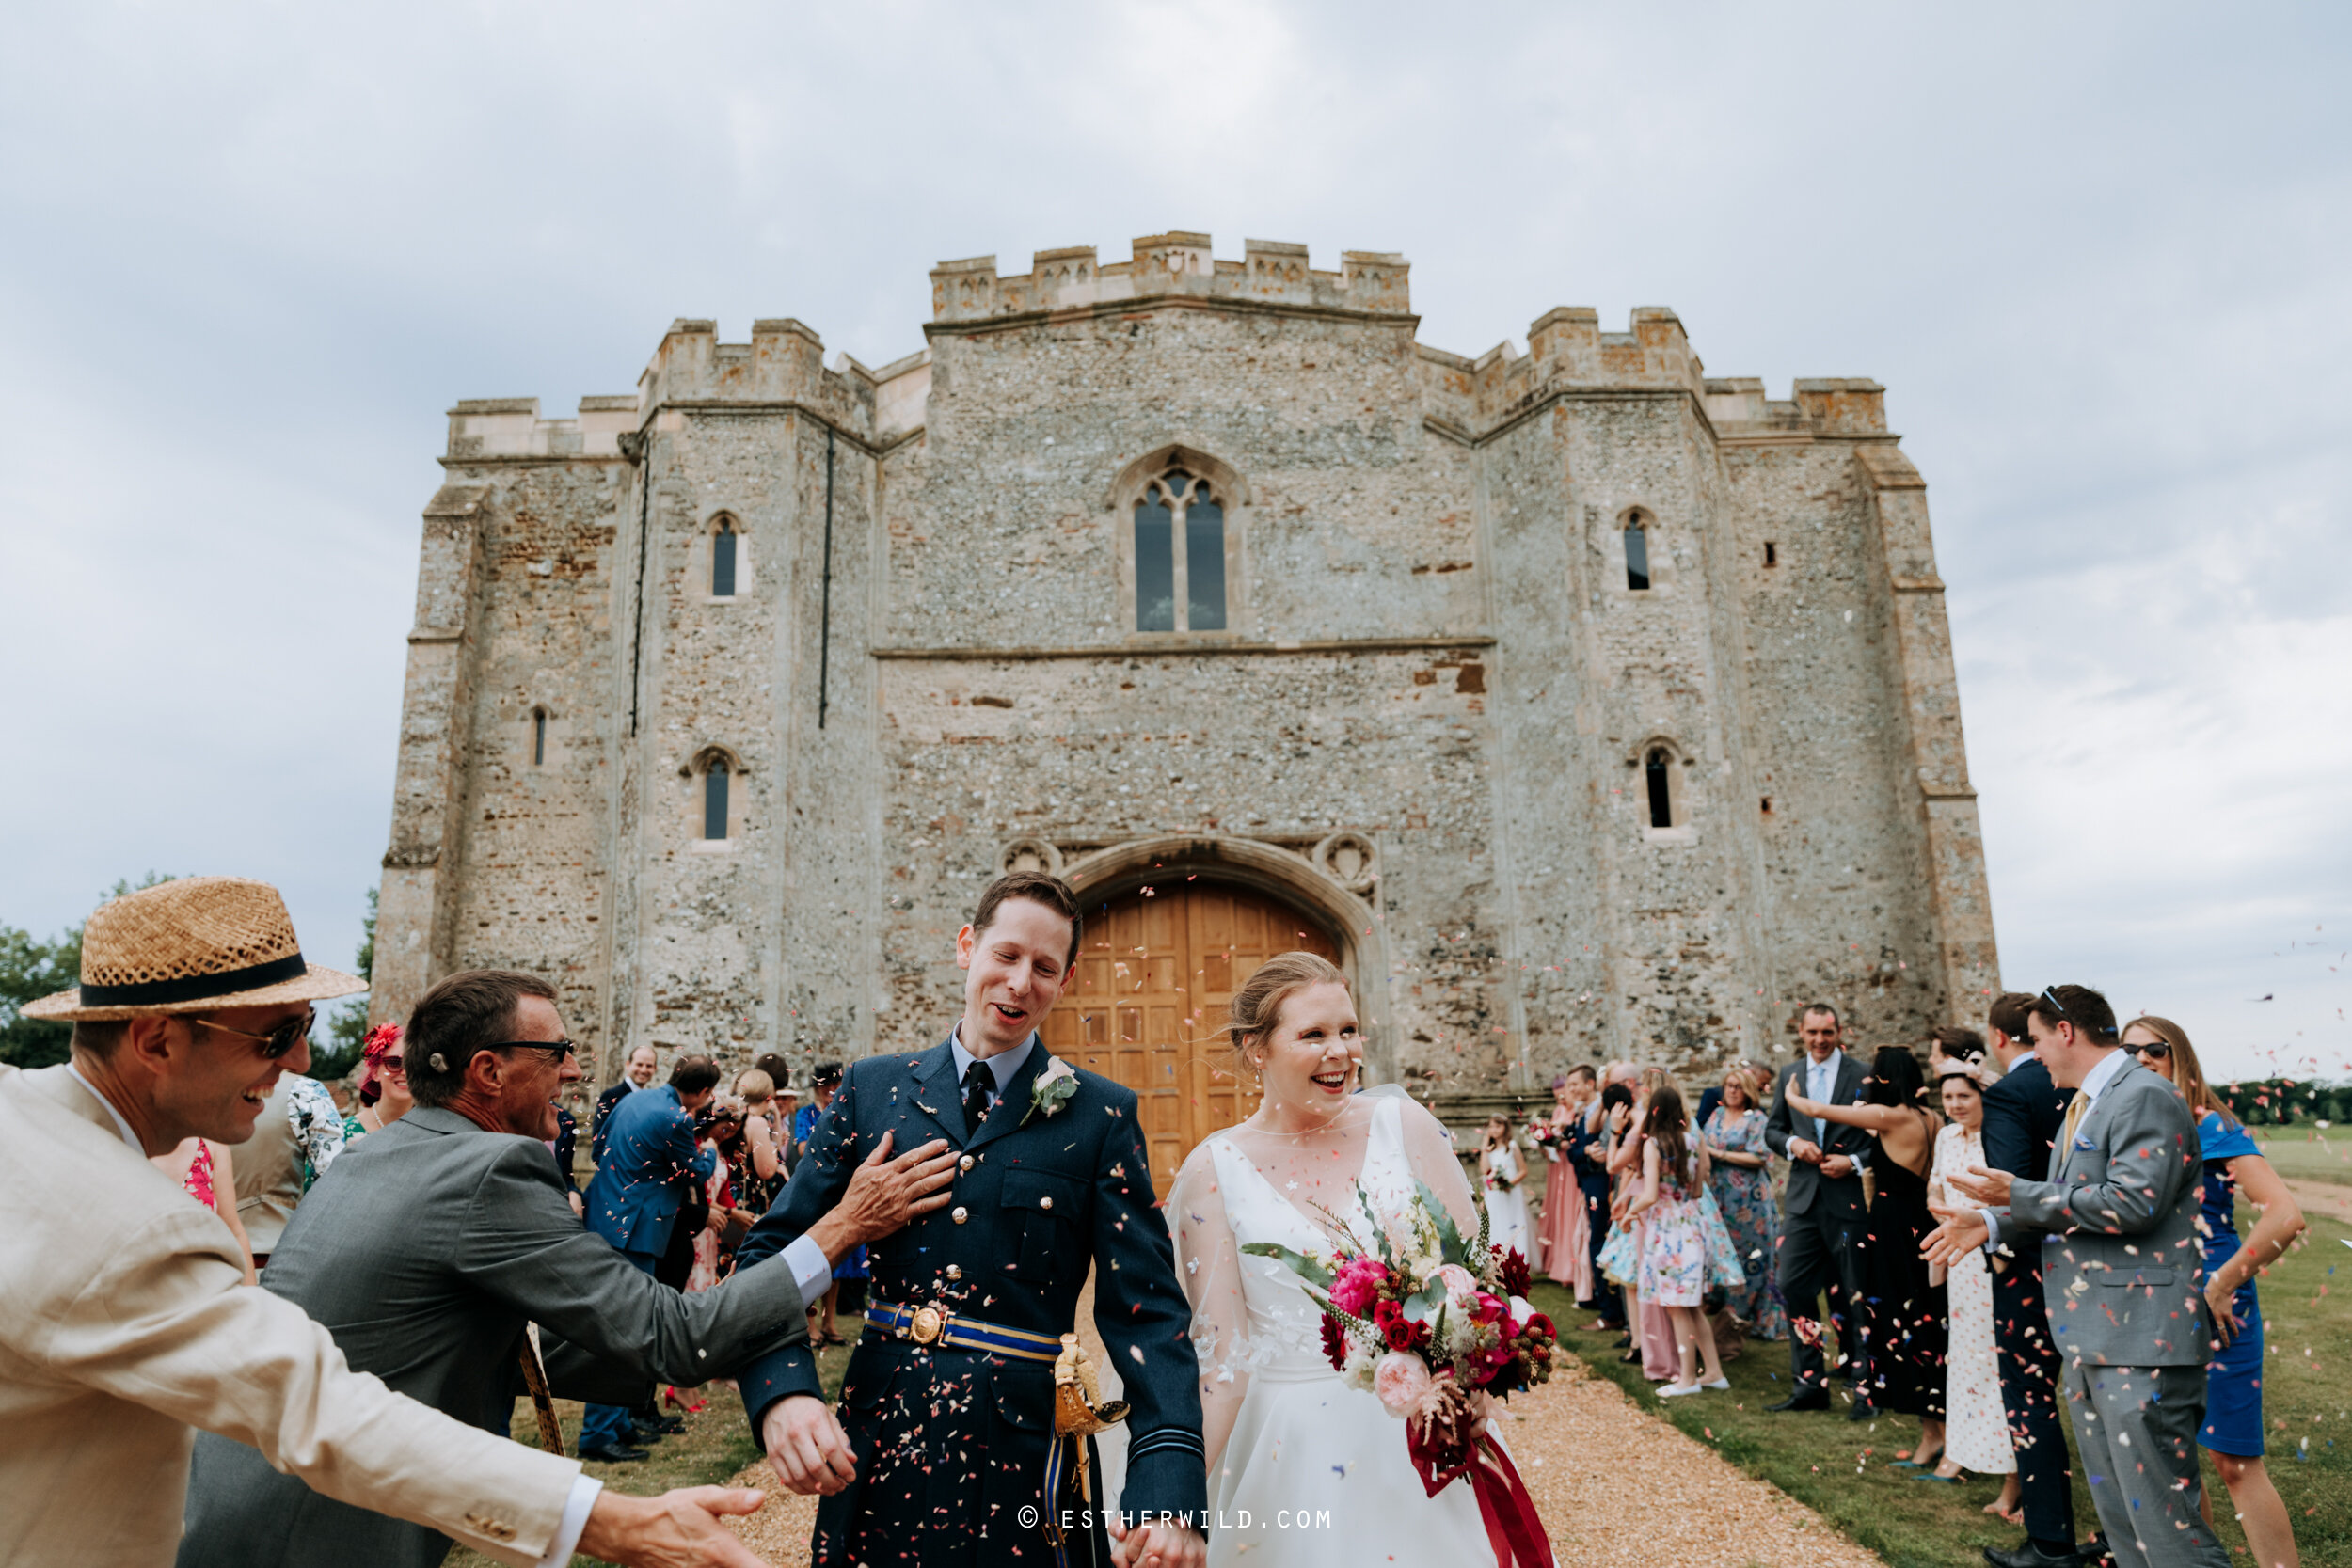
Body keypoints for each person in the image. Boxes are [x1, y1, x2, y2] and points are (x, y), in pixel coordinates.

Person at [0, 875, 766, 1568]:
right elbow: (321, 1408)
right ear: (156, 1041)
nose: (300, 1059)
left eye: (302, 1024)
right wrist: (610, 1522)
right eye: (273, 1035)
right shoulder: (136, 1231)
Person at [180, 966, 961, 1567]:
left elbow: (476, 1334)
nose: (576, 1070)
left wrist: (681, 1364)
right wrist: (842, 1226)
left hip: (235, 1499)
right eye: (556, 1051)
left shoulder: (378, 1155)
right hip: (312, 1532)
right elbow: (674, 1331)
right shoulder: (488, 1171)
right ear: (488, 1071)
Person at [733, 871, 1208, 1568]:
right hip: (878, 1444)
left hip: (1027, 1465)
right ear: (966, 946)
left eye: (1045, 967)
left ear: (1066, 978)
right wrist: (782, 1395)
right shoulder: (872, 1090)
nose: (1021, 982)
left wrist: (1168, 1492)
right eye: (1006, 955)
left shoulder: (1100, 1115)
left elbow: (1148, 1315)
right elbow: (768, 1255)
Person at [1172, 951, 1517, 1565]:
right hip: (1288, 1448)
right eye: (1313, 1034)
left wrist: (1470, 1381)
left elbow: (1477, 1278)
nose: (1342, 1051)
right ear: (1257, 1048)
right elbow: (1220, 1358)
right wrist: (1173, 1499)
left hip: (1419, 1438)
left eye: (1349, 1030)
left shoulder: (1404, 1125)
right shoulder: (1214, 1169)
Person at [1926, 984, 2229, 1568]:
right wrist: (1989, 1224)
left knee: (2167, 1528)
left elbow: (2135, 1203)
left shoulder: (2144, 1095)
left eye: (2037, 1040)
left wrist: (2020, 1193)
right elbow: (2069, 1204)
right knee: (2124, 1524)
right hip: (2092, 1337)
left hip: (2143, 1341)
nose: (2034, 1055)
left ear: (2065, 1032)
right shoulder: (2085, 1102)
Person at [2124, 1015, 2307, 1568]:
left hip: (2217, 1306)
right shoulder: (2131, 1127)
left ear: (2178, 1055)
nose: (2141, 1059)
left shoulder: (2212, 1128)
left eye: (2153, 1049)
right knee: (2173, 1460)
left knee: (2233, 1461)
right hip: (2154, 1305)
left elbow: (2286, 1213)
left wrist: (2223, 1282)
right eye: (2127, 1052)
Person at [1788, 1044, 1946, 1438]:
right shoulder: (1931, 1118)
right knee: (1925, 1315)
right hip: (1922, 1221)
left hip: (1893, 1227)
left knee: (1896, 1315)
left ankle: (1918, 1407)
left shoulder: (1888, 1116)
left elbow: (1820, 1111)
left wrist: (1793, 1097)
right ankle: (1933, 1418)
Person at [1976, 992, 2083, 1568]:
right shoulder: (2086, 1084)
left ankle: (2050, 1543)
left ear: (1998, 1036)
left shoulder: (2013, 1093)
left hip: (2028, 1269)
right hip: (2096, 1266)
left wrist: (1995, 1245)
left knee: (2030, 1398)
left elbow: (2011, 1186)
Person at [579, 1053, 724, 1462]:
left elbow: (604, 1145)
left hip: (609, 1215)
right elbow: (691, 1172)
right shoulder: (676, 1118)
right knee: (624, 1330)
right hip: (635, 1228)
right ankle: (598, 1434)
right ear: (703, 1092)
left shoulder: (635, 1101)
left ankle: (620, 1424)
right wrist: (710, 1148)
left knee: (630, 1326)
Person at [1763, 1003, 1874, 1412]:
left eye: (1827, 1033)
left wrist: (1855, 1161)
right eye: (1812, 1033)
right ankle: (1810, 1387)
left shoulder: (1863, 1074)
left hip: (1849, 1200)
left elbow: (1884, 1135)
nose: (1819, 1040)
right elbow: (1773, 1129)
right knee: (1793, 1285)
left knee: (1857, 1294)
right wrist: (1794, 1145)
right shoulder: (1791, 1074)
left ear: (1838, 1031)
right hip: (1804, 1201)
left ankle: (1867, 1388)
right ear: (1801, 1033)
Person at [1924, 1046, 2018, 1511]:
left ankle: (2013, 1475)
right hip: (1960, 1263)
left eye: (1965, 1095)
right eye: (1949, 1096)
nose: (1957, 1104)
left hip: (1994, 1255)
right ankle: (1963, 1451)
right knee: (1964, 1356)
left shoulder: (1999, 1136)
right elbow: (1936, 1187)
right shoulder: (1945, 1138)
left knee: (1999, 1362)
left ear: (1983, 1094)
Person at [1628, 1082, 1728, 1398]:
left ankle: (1687, 1378)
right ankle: (1714, 1372)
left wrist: (1631, 1211)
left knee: (1675, 1305)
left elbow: (1650, 1193)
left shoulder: (1653, 1145)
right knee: (1692, 1305)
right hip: (1692, 1225)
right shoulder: (1693, 1139)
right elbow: (1698, 1190)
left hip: (1667, 1231)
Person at [226, 1065, 346, 1268]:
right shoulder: (304, 1092)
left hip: (201, 1262)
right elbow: (333, 1186)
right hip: (277, 1258)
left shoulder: (191, 1088)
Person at [1702, 1065, 1784, 1339]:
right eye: (1729, 1086)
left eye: (1738, 1086)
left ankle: (1751, 1315)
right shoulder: (1716, 1114)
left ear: (1748, 1090)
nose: (1733, 1091)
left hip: (1750, 1200)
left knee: (1752, 1256)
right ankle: (1725, 1313)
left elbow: (1761, 1157)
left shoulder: (1757, 1118)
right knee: (1722, 1253)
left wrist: (1720, 1154)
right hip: (1718, 1196)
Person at [152, 1136, 258, 1284]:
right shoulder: (120, 1148)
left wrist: (252, 1296)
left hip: (208, 1289)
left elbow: (234, 1232)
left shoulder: (211, 1144)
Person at [1537, 1068, 1595, 1295]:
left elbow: (1574, 1140)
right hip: (1557, 1167)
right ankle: (1556, 1263)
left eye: (1566, 1090)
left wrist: (1561, 1144)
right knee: (1557, 1212)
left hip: (1571, 1169)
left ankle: (1570, 1268)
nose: (1562, 1096)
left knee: (1570, 1212)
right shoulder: (1559, 1111)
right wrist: (1545, 1144)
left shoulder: (1578, 1112)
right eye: (1558, 1092)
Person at [343, 1022, 414, 1142]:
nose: (405, 1072)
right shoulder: (343, 1133)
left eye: (413, 1064)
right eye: (394, 1063)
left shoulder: (438, 1130)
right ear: (375, 1072)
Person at [591, 1044, 660, 1163]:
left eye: (649, 1066)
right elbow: (599, 1139)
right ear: (628, 1065)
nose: (643, 1070)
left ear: (655, 1069)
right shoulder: (611, 1096)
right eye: (639, 1064)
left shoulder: (650, 1099)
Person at [1480, 1111, 1532, 1257]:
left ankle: (1518, 1256)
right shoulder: (1489, 1149)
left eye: (1497, 1126)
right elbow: (1485, 1170)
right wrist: (1484, 1145)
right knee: (1496, 1222)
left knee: (1513, 1222)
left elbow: (1523, 1170)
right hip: (1493, 1192)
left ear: (1505, 1127)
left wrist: (1508, 1184)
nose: (1494, 1130)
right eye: (1491, 1126)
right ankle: (1496, 1258)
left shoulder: (1512, 1146)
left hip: (1511, 1192)